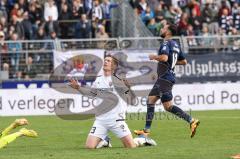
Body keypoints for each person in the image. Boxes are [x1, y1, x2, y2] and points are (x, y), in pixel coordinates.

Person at [68, 55, 156, 149]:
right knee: (89, 147)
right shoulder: (98, 79)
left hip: (116, 121)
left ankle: (142, 139)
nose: (105, 62)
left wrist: (128, 88)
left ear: (113, 66)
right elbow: (92, 94)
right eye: (105, 60)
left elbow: (133, 101)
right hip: (100, 121)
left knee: (131, 146)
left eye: (109, 61)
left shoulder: (119, 81)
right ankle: (105, 141)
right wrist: (78, 88)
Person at [134, 22, 200, 138]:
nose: (161, 29)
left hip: (164, 78)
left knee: (162, 104)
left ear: (168, 32)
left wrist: (154, 57)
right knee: (157, 102)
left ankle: (191, 120)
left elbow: (164, 58)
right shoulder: (176, 45)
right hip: (167, 78)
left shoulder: (166, 42)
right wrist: (172, 63)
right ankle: (146, 130)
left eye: (163, 28)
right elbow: (184, 62)